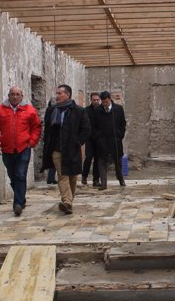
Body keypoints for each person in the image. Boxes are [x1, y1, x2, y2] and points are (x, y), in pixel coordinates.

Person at [0, 86, 42, 216]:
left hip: (23, 148)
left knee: (20, 174)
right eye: (13, 94)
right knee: (12, 175)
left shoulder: (29, 110)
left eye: (18, 94)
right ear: (9, 95)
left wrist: (32, 142)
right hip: (7, 149)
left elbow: (36, 127)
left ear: (22, 96)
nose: (15, 96)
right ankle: (21, 198)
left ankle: (17, 204)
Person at [41, 84, 90, 214]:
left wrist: (78, 142)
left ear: (67, 94)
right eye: (56, 93)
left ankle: (69, 202)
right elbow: (47, 130)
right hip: (57, 150)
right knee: (62, 175)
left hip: (72, 149)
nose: (57, 96)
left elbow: (86, 129)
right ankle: (66, 201)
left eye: (59, 93)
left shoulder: (79, 111)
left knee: (73, 176)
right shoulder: (52, 111)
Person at [92, 90, 127, 190]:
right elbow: (94, 126)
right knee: (101, 161)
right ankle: (103, 183)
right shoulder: (97, 111)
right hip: (102, 141)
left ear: (110, 100)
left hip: (115, 140)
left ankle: (121, 179)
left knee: (117, 161)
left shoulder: (118, 109)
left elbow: (123, 123)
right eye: (103, 102)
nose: (105, 104)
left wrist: (120, 135)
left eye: (106, 102)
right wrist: (98, 137)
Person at [81, 92, 102, 187]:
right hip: (89, 138)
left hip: (99, 138)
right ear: (91, 100)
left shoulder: (102, 110)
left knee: (98, 158)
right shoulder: (86, 110)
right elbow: (86, 124)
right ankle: (84, 176)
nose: (96, 101)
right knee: (88, 158)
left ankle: (96, 179)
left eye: (97, 100)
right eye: (94, 100)